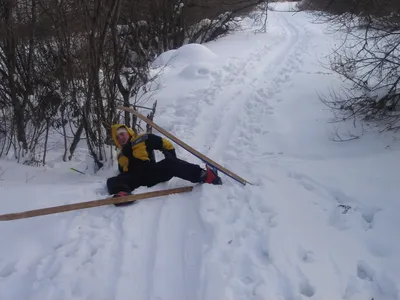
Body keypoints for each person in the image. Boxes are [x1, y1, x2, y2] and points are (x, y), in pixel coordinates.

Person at [107, 124, 222, 206]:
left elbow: (166, 145)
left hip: (150, 172)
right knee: (112, 181)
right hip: (134, 177)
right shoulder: (120, 155)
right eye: (118, 137)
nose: (121, 138)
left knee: (170, 164)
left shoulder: (143, 139)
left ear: (128, 132)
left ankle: (205, 176)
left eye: (122, 134)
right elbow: (122, 171)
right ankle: (122, 195)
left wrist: (171, 158)